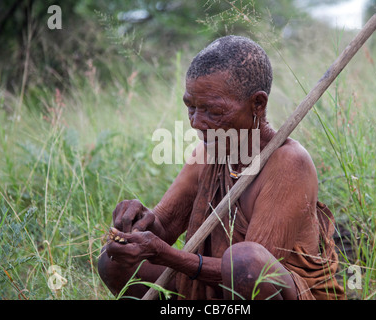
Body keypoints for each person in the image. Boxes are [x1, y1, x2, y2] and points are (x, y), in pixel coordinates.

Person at [98, 35, 345, 300]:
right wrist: (138, 224)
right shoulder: (207, 155)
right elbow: (163, 228)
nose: (196, 122)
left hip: (277, 291)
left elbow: (251, 269)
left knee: (244, 262)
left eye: (213, 112)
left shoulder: (289, 163)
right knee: (114, 261)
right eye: (191, 107)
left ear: (257, 105)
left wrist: (165, 254)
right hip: (219, 291)